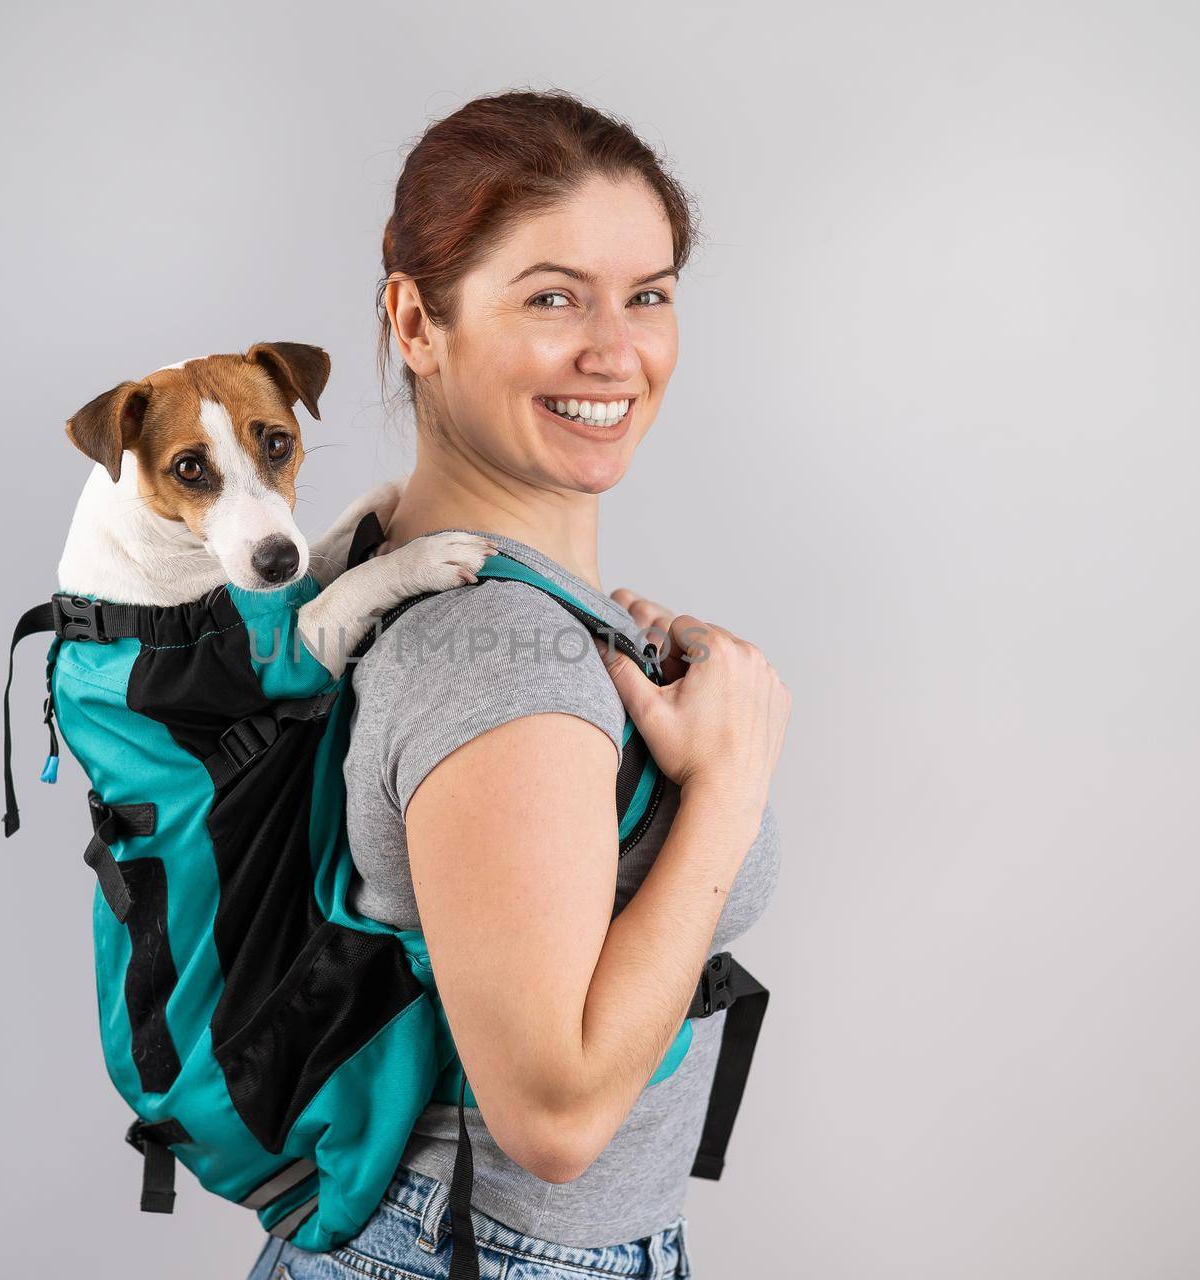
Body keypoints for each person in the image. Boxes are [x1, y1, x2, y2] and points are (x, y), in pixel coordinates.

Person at [247, 88, 792, 1280]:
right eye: (552, 296)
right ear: (414, 320)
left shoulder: (383, 567)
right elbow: (550, 1116)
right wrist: (729, 789)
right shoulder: (501, 653)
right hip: (489, 1254)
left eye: (647, 293)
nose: (617, 350)